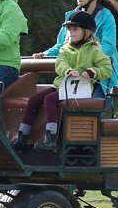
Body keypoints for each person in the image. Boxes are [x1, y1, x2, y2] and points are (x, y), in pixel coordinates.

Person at [12, 11, 112, 152]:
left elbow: (106, 68)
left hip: (79, 90)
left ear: (87, 32)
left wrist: (91, 72)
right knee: (34, 99)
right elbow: (60, 64)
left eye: (75, 29)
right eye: (69, 30)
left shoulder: (95, 51)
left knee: (49, 99)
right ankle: (22, 136)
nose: (71, 32)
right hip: (62, 86)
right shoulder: (65, 49)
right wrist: (68, 71)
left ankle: (50, 138)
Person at [32, 0, 118, 96]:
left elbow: (109, 47)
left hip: (101, 79)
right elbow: (61, 46)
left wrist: (86, 59)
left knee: (88, 110)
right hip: (75, 78)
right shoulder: (71, 16)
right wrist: (44, 54)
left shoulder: (106, 17)